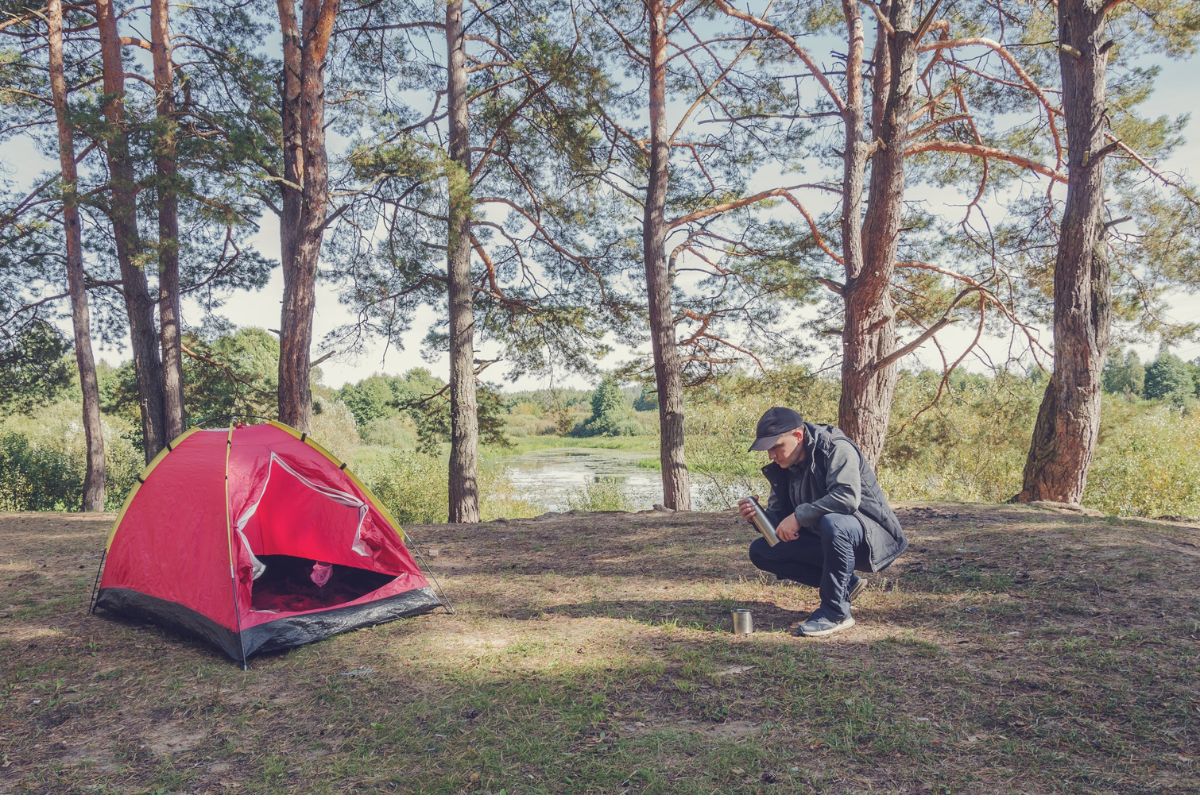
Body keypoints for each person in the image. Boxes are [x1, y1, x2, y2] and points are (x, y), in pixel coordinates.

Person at [738, 406, 907, 637]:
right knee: (761, 551)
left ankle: (836, 612)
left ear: (797, 436)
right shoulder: (785, 465)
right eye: (767, 449)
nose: (771, 455)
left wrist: (798, 517)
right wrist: (757, 517)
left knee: (833, 523)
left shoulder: (836, 447)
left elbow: (846, 498)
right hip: (826, 537)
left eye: (776, 447)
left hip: (869, 537)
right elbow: (779, 520)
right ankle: (845, 585)